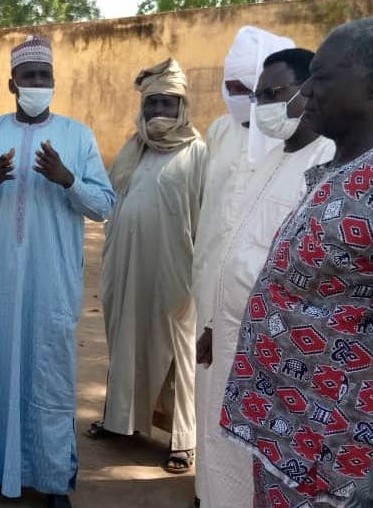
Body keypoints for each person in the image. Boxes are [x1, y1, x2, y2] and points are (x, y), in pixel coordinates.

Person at [0, 36, 115, 508]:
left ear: (54, 84)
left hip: (50, 282)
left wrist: (68, 179)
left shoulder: (77, 136)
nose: (37, 84)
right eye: (29, 77)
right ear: (12, 83)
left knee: (50, 376)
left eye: (45, 77)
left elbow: (103, 206)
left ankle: (52, 478)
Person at [220, 17, 373, 506]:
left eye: (322, 76)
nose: (308, 91)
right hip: (286, 438)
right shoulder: (336, 170)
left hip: (340, 456)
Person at [194, 48, 335, 507]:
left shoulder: (328, 161)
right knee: (218, 450)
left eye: (274, 93)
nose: (264, 106)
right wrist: (214, 322)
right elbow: (236, 247)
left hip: (276, 350)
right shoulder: (268, 156)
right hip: (229, 336)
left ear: (306, 91)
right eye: (259, 96)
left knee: (254, 459)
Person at [87, 58, 207, 475]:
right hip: (124, 263)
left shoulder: (197, 152)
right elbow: (109, 197)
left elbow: (204, 218)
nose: (159, 111)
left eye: (168, 103)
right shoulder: (132, 147)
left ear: (182, 107)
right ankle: (120, 420)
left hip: (172, 270)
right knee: (125, 341)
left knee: (176, 351)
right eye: (152, 102)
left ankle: (182, 439)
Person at [192, 26, 294, 507]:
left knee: (250, 421)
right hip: (212, 296)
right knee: (210, 401)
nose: (243, 100)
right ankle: (207, 492)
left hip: (265, 319)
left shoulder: (295, 142)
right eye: (233, 88)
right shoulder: (218, 131)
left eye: (254, 91)